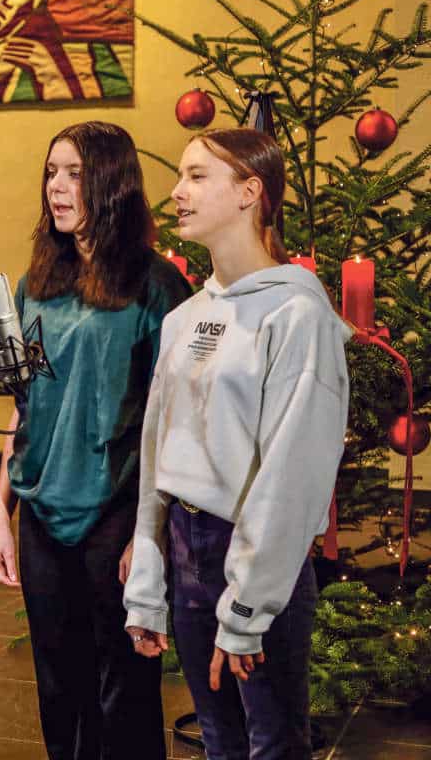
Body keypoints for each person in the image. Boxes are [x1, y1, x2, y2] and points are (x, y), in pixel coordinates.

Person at [124, 128, 350, 759]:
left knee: (271, 744)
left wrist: (248, 607)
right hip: (187, 551)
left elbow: (292, 473)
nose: (176, 192)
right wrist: (148, 572)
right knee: (219, 740)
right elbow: (157, 452)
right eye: (180, 177)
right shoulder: (184, 318)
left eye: (198, 176)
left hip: (253, 555)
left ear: (250, 191)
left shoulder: (296, 314)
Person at [0, 122, 189, 759]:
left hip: (116, 511)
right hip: (43, 511)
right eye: (51, 172)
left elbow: (174, 420)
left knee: (123, 688)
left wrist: (147, 533)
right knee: (57, 686)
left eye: (73, 173)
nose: (57, 187)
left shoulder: (155, 288)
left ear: (110, 182)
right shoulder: (36, 284)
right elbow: (24, 407)